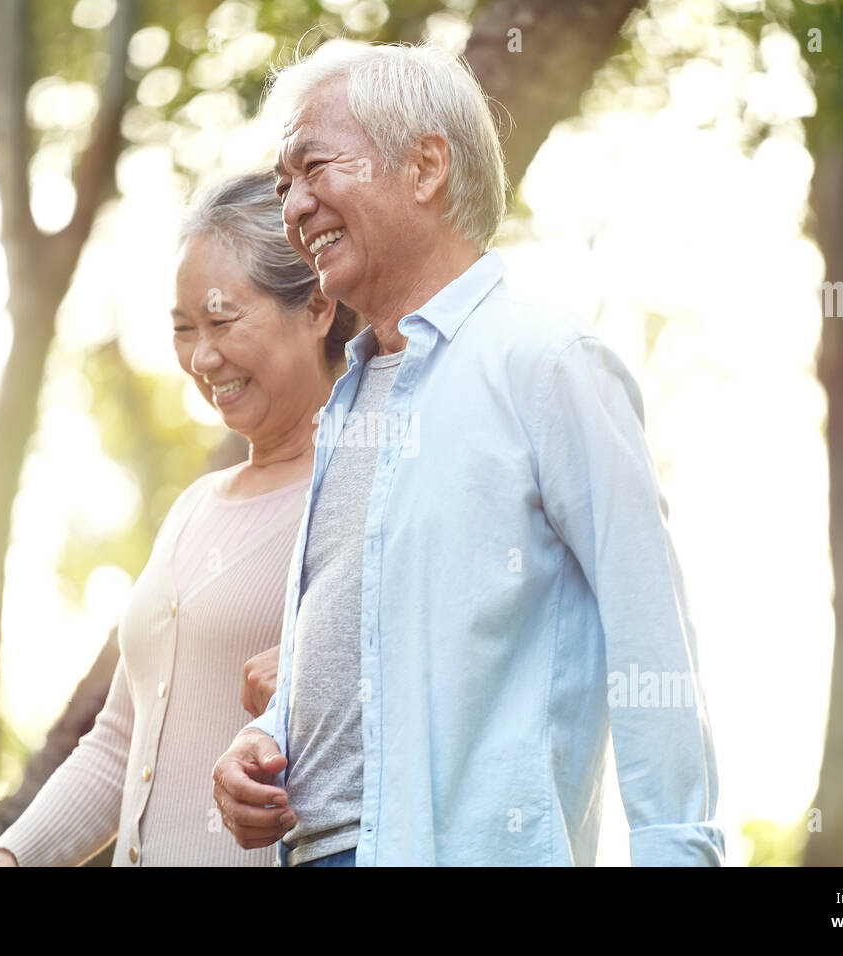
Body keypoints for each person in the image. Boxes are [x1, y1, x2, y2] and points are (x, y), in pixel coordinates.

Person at [211, 40, 726, 867]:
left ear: (424, 168)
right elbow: (369, 642)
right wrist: (267, 736)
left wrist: (676, 853)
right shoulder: (347, 402)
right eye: (282, 187)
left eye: (314, 169)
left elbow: (650, 635)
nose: (294, 208)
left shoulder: (546, 362)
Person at [0, 170, 356, 866]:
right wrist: (9, 859)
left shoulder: (355, 502)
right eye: (184, 330)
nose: (202, 358)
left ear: (318, 307)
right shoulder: (193, 510)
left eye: (222, 322)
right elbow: (120, 741)